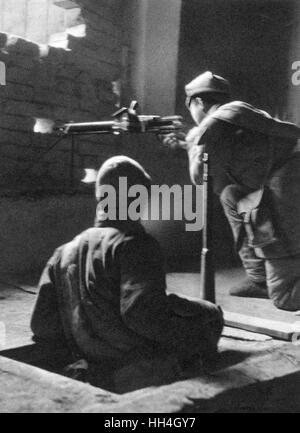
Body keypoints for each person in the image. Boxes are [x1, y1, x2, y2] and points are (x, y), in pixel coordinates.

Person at [31, 155, 224, 392]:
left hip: (87, 359)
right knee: (210, 315)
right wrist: (193, 325)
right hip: (131, 364)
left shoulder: (63, 252)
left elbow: (41, 324)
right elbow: (142, 316)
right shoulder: (135, 244)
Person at [167, 71, 300, 311]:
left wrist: (191, 143)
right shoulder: (237, 115)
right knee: (231, 194)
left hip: (288, 182)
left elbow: (201, 178)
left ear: (198, 102)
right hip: (284, 179)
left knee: (285, 297)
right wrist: (189, 143)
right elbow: (219, 182)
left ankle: (275, 279)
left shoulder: (221, 117)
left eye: (192, 109)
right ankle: (259, 277)